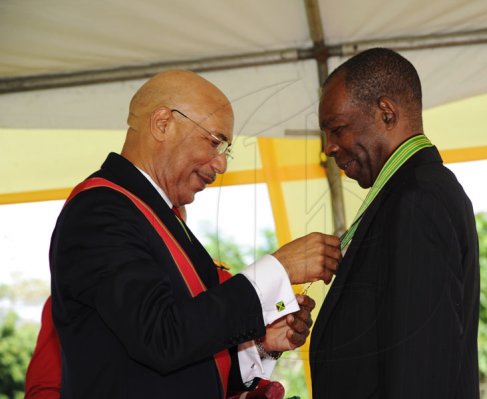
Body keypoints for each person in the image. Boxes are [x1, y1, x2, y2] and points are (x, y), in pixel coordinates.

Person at [49, 70, 341, 399]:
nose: (221, 165)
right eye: (215, 141)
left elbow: (184, 361)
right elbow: (162, 339)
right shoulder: (101, 210)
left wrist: (258, 344)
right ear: (162, 123)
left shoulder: (158, 218)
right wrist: (279, 269)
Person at [309, 48, 480, 398]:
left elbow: (419, 368)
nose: (328, 148)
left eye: (337, 129)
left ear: (386, 112)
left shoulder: (419, 199)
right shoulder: (409, 193)